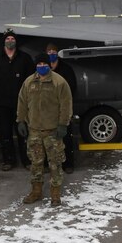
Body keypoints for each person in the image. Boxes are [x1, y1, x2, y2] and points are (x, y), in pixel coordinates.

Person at [16, 56, 73, 206]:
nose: (41, 66)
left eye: (44, 64)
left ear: (49, 65)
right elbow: (22, 102)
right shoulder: (29, 82)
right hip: (34, 130)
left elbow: (66, 105)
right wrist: (21, 120)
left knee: (55, 163)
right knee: (36, 163)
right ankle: (36, 192)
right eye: (39, 64)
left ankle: (55, 194)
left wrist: (63, 124)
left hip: (52, 131)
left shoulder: (59, 82)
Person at [0, 29, 34, 170]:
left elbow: (31, 81)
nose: (10, 41)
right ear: (4, 41)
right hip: (2, 104)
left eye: (12, 39)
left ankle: (27, 160)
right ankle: (8, 160)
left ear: (16, 41)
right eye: (8, 39)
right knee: (5, 134)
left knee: (24, 133)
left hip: (21, 105)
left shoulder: (25, 58)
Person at [46, 42, 78, 173]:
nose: (52, 55)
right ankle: (47, 164)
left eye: (54, 52)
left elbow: (72, 89)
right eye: (49, 53)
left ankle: (68, 164)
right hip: (47, 110)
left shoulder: (66, 69)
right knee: (47, 139)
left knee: (65, 137)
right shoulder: (43, 68)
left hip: (63, 109)